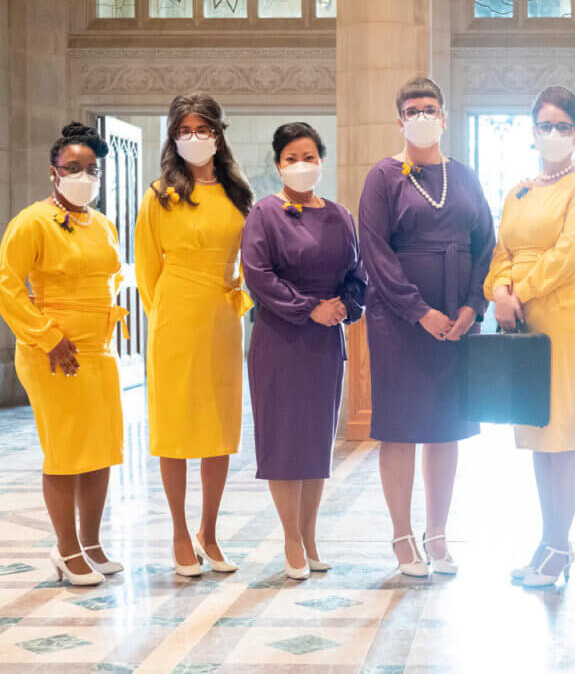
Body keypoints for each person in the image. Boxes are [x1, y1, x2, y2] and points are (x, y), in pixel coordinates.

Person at [359, 77, 495, 577]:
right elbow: (374, 252)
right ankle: (401, 535)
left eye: (430, 108)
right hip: (399, 321)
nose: (422, 116)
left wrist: (471, 306)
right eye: (412, 109)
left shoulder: (464, 176)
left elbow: (486, 242)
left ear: (444, 115)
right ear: (399, 119)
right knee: (400, 430)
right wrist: (419, 311)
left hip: (457, 320)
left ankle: (437, 532)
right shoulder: (383, 176)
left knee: (446, 429)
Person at [484, 85, 575, 588]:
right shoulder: (517, 191)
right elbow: (500, 251)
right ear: (532, 132)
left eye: (563, 125)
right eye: (545, 125)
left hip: (564, 319)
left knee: (563, 434)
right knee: (538, 435)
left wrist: (523, 290)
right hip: (520, 319)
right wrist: (500, 290)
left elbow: (571, 253)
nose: (553, 134)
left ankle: (561, 545)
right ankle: (547, 537)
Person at [0, 122, 125, 585]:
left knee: (100, 451)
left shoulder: (103, 224)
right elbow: (7, 287)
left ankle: (92, 543)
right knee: (66, 451)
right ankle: (66, 548)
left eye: (92, 169)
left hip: (100, 350)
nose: (84, 176)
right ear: (54, 172)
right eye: (73, 167)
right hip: (52, 352)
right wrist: (46, 336)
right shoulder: (32, 221)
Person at [135, 92, 254, 577]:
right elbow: (146, 269)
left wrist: (240, 295)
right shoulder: (159, 194)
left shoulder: (237, 194)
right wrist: (165, 313)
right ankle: (180, 533)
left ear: (218, 133)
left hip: (224, 316)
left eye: (201, 128)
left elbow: (254, 257)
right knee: (176, 427)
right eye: (183, 130)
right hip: (176, 315)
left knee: (218, 428)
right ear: (172, 137)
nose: (193, 138)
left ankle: (209, 529)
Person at [242, 122, 367, 580]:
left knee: (316, 443)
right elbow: (259, 276)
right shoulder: (264, 214)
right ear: (279, 164)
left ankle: (311, 535)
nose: (301, 165)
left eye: (309, 156)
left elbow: (358, 273)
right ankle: (290, 539)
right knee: (284, 441)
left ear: (322, 161)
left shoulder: (340, 216)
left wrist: (343, 307)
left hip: (324, 341)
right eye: (292, 158)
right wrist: (308, 308)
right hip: (281, 337)